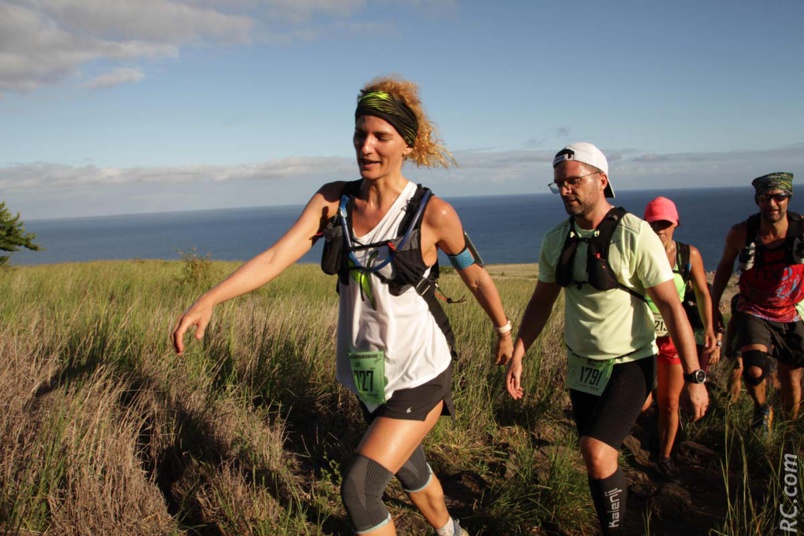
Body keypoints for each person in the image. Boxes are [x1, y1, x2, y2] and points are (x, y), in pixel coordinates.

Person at [172, 75, 514, 536]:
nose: (366, 147)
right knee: (410, 468)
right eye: (360, 134)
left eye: (381, 136)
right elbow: (276, 256)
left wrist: (504, 330)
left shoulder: (433, 213)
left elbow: (474, 273)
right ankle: (452, 531)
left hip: (422, 369)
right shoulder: (334, 201)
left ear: (407, 144)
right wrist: (210, 297)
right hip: (369, 370)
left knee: (360, 490)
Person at [505, 143, 709, 535]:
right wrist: (519, 352)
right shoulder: (555, 239)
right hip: (582, 366)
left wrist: (695, 377)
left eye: (574, 181)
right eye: (559, 183)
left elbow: (671, 307)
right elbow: (540, 302)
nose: (565, 190)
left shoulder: (636, 234)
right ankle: (612, 519)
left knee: (595, 451)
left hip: (630, 362)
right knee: (600, 458)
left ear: (602, 180)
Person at [711, 172, 804, 436]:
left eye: (778, 197)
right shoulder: (742, 233)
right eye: (765, 198)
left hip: (792, 310)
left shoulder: (801, 230)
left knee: (792, 378)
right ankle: (762, 408)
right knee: (753, 369)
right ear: (757, 200)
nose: (772, 204)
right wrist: (714, 306)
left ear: (788, 198)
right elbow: (725, 266)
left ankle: (788, 427)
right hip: (755, 308)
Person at [641, 197, 719, 478]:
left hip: (674, 336)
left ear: (675, 224)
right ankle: (641, 432)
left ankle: (665, 456)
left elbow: (701, 292)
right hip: (642, 336)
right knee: (644, 401)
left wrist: (709, 326)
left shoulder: (689, 256)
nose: (659, 230)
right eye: (653, 224)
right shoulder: (639, 252)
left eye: (665, 224)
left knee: (670, 402)